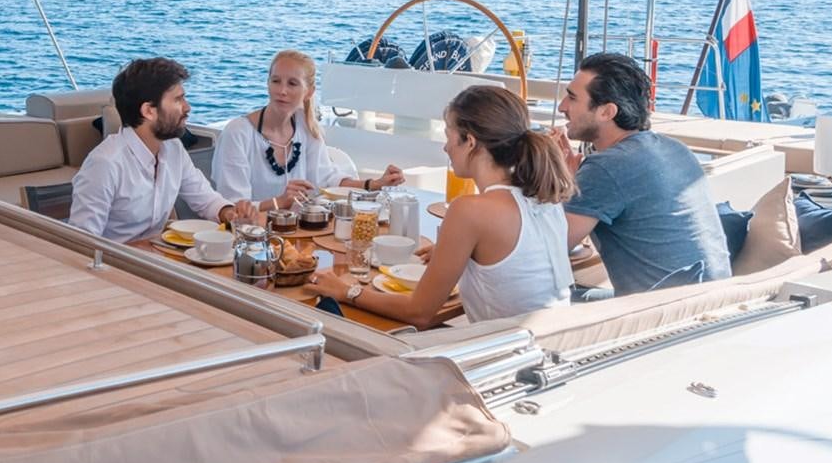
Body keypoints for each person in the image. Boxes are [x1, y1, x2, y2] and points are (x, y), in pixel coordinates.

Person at [308, 85, 576, 327]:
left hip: (506, 358)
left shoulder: (469, 210)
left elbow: (419, 313)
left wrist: (346, 291)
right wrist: (452, 250)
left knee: (331, 318)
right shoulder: (545, 198)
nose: (445, 148)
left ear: (470, 141)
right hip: (554, 344)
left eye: (449, 136)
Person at [552, 52, 731, 295]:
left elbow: (550, 251)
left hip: (663, 318)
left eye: (572, 98)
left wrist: (551, 179)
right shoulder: (675, 148)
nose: (562, 106)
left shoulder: (606, 167)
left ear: (607, 112)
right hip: (715, 302)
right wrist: (576, 184)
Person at [69, 57, 257, 243]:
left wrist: (230, 213)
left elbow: (205, 199)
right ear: (149, 111)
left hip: (158, 257)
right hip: (116, 265)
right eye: (178, 99)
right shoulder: (105, 164)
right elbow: (82, 243)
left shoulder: (173, 148)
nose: (187, 107)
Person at [213, 50, 404, 212]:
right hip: (251, 238)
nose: (282, 90)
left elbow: (329, 182)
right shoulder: (237, 133)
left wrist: (375, 184)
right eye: (276, 81)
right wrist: (279, 202)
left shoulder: (306, 127)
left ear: (309, 92)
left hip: (297, 233)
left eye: (292, 83)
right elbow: (233, 207)